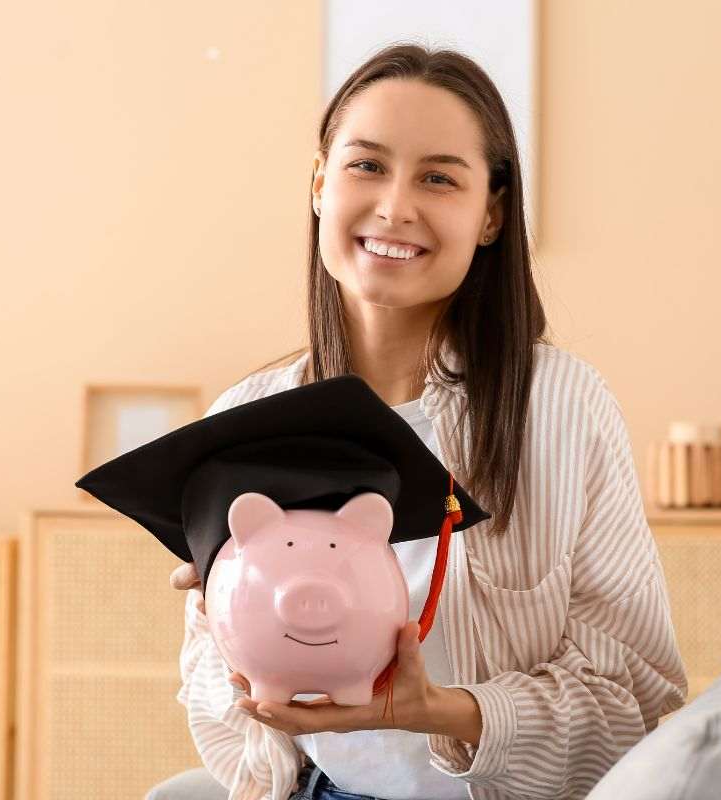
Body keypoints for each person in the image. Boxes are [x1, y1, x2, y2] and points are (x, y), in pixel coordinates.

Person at [157, 43, 688, 800]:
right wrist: (223, 615)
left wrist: (443, 711)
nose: (395, 206)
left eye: (438, 177)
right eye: (366, 166)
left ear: (492, 215)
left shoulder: (560, 410)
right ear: (318, 184)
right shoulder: (245, 420)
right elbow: (237, 745)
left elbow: (634, 697)